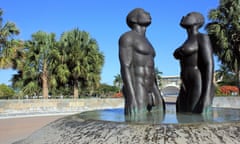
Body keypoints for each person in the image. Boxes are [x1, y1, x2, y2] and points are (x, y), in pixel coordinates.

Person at [119, 8, 165, 115]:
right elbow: (125, 66)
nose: (148, 13)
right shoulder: (127, 37)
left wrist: (157, 91)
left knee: (159, 118)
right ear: (134, 19)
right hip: (137, 87)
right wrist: (131, 97)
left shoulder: (147, 41)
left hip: (152, 87)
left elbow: (152, 68)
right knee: (138, 121)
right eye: (144, 13)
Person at [173, 12, 214, 113]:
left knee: (194, 115)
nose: (183, 16)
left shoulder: (202, 38)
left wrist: (207, 94)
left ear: (198, 21)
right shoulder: (187, 41)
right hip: (185, 83)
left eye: (188, 15)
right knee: (181, 112)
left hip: (198, 82)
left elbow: (209, 64)